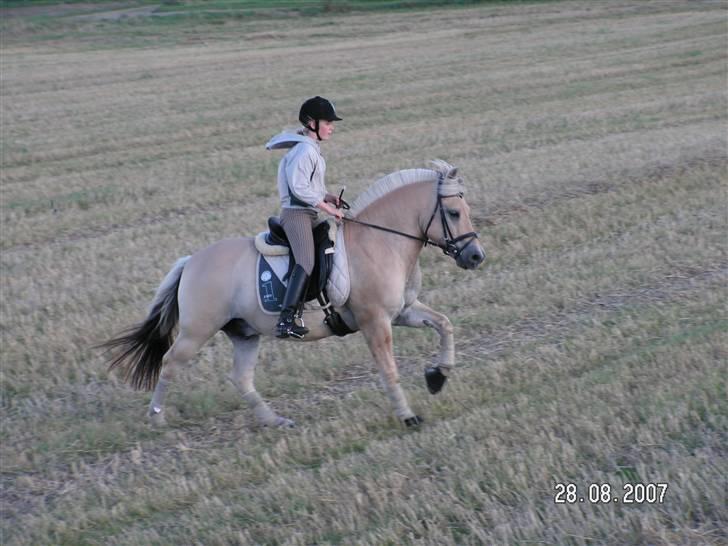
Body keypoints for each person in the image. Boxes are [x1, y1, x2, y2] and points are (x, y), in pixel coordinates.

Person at [265, 96, 344, 338]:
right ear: (312, 123)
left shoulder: (311, 149)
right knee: (306, 261)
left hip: (308, 212)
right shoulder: (304, 150)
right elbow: (298, 187)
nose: (332, 127)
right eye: (328, 122)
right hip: (296, 215)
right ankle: (286, 319)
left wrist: (328, 197)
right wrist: (327, 208)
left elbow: (311, 187)